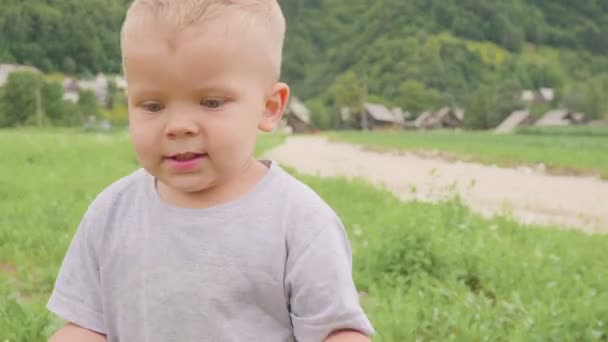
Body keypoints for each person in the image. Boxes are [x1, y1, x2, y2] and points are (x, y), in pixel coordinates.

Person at [47, 1, 373, 341]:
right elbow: (85, 326)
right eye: (153, 106)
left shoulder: (300, 221)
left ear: (269, 107)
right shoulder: (112, 213)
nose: (178, 126)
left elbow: (337, 332)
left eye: (211, 102)